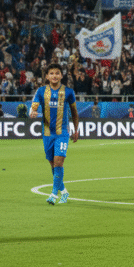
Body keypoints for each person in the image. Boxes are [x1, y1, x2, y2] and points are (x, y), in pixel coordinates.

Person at [30, 63, 79, 205]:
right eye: (51, 73)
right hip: (47, 133)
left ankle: (53, 194)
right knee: (53, 164)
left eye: (57, 73)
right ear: (47, 76)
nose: (54, 76)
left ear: (61, 75)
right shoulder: (41, 91)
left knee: (59, 161)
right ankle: (64, 192)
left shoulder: (68, 92)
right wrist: (31, 112)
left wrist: (76, 130)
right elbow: (33, 107)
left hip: (62, 133)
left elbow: (74, 113)